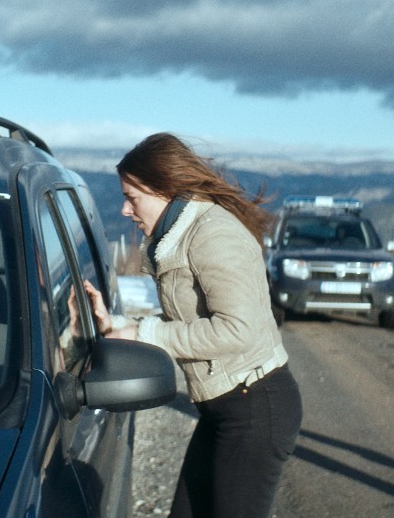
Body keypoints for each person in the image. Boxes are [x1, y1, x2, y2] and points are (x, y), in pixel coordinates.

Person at [77, 133, 302, 518]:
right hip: (227, 408)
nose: (125, 210)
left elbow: (237, 330)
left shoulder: (212, 234)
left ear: (165, 189)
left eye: (132, 197)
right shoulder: (180, 235)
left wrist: (143, 335)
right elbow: (189, 320)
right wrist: (116, 324)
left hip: (254, 408)